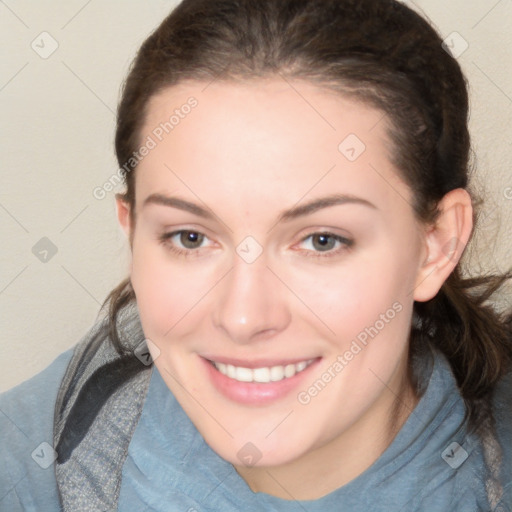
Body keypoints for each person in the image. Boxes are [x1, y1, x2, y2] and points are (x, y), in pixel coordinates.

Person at [1, 0, 511, 510]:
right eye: (190, 237)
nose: (243, 317)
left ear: (437, 243)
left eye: (321, 240)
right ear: (132, 233)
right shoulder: (27, 471)